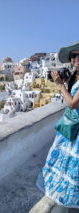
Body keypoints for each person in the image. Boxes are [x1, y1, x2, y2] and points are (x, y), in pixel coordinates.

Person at [38, 41, 79, 210]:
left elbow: (72, 104)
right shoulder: (75, 76)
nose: (76, 59)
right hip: (72, 126)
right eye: (73, 56)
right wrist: (65, 82)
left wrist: (60, 85)